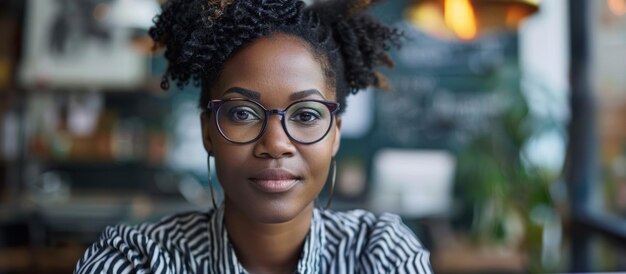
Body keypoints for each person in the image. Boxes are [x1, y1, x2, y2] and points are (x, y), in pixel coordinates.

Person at [74, 0, 432, 273]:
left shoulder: (379, 254)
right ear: (208, 133)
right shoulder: (140, 260)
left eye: (306, 115)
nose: (276, 144)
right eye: (243, 113)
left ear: (335, 135)